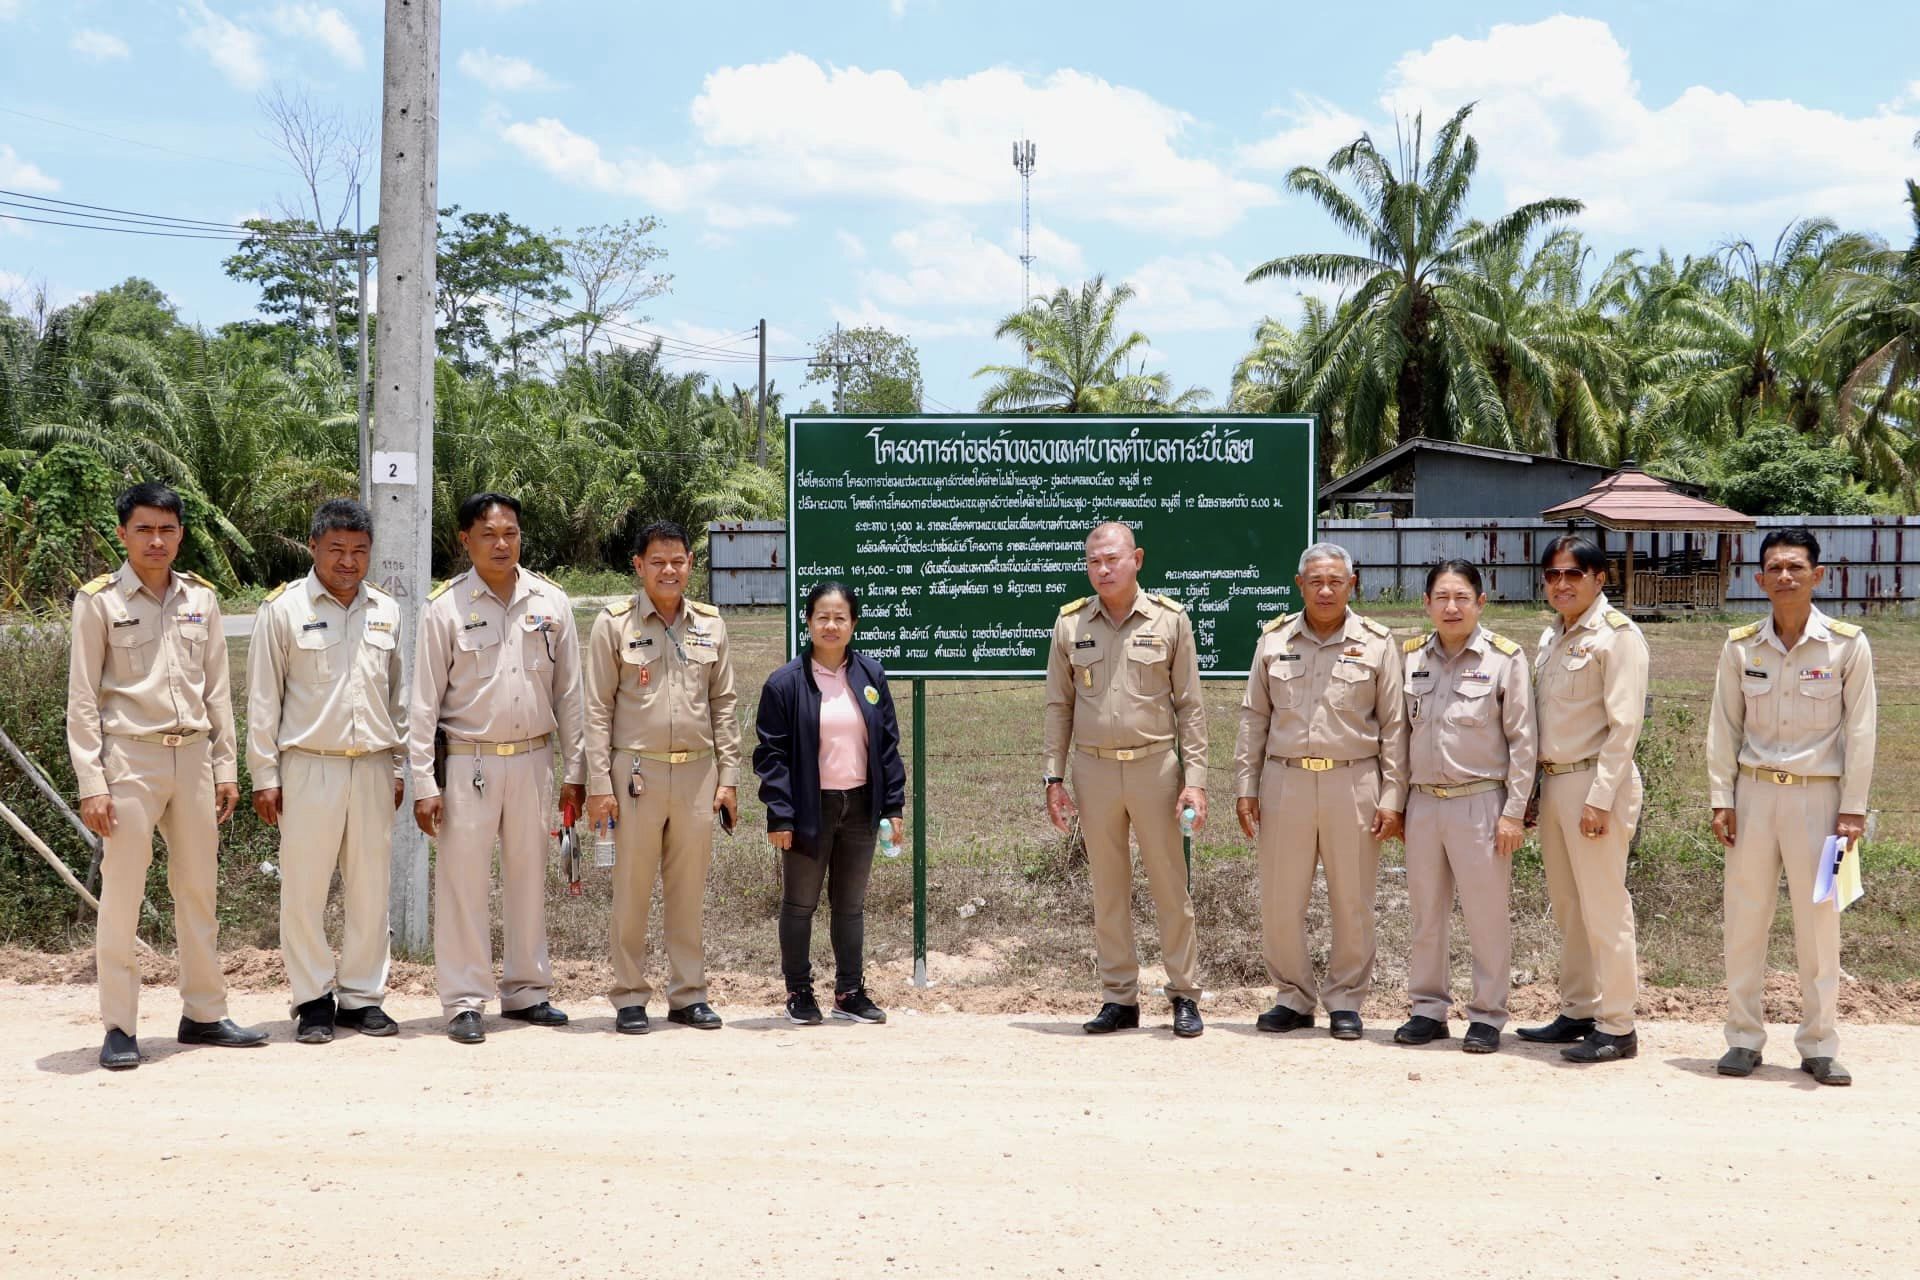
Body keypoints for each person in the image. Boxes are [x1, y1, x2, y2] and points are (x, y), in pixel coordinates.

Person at [67, 482, 267, 1070]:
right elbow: (82, 701)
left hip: (195, 759)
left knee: (198, 890)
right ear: (123, 533)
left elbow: (218, 693)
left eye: (168, 529)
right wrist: (91, 782)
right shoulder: (99, 602)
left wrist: (226, 767)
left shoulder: (201, 600)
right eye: (145, 529)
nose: (157, 541)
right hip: (129, 759)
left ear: (181, 534)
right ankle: (120, 1027)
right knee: (123, 892)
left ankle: (204, 1013)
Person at [408, 493, 587, 1045]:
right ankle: (464, 999)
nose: (502, 543)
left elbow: (571, 694)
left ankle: (528, 989)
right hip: (469, 763)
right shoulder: (445, 609)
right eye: (488, 534)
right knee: (463, 882)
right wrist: (423, 782)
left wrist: (576, 770)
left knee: (529, 875)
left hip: (534, 759)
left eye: (510, 532)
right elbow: (422, 704)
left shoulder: (550, 603)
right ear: (465, 540)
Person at [1708, 528, 1875, 1087]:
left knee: (1819, 921)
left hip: (1821, 803)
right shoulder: (1741, 646)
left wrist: (1853, 810)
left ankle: (1820, 1043)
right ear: (1759, 579)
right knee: (1745, 918)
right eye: (1774, 568)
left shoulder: (1847, 645)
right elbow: (1724, 728)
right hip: (1753, 798)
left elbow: (1863, 731)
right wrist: (1720, 798)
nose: (1785, 576)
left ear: (1817, 576)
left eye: (1796, 568)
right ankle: (1742, 1037)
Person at [246, 499, 406, 1045]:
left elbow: (398, 699)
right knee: (305, 889)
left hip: (374, 768)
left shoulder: (387, 610)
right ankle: (313, 999)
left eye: (359, 550)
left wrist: (401, 765)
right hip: (308, 767)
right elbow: (263, 701)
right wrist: (264, 776)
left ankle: (363, 997)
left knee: (370, 887)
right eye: (336, 549)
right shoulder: (283, 610)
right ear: (313, 547)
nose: (348, 561)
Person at [1233, 541, 1406, 1042]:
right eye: (1315, 581)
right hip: (1284, 780)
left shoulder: (1376, 642)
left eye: (1335, 581)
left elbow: (1395, 726)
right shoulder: (1273, 640)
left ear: (1353, 584)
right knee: (1281, 897)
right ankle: (1292, 996)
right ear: (1299, 585)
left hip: (1353, 782)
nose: (1325, 590)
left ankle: (1346, 999)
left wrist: (1393, 796)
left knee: (1352, 898)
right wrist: (1246, 786)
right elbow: (1254, 717)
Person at [1043, 522, 1208, 1038]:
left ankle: (1184, 993)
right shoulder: (1070, 624)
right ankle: (1119, 998)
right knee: (1108, 890)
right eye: (1094, 561)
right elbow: (1058, 707)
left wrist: (1195, 779)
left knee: (1169, 886)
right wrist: (1054, 776)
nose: (1103, 569)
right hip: (1092, 770)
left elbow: (1191, 707)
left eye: (1112, 559)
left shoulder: (1170, 620)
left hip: (1155, 767)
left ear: (1137, 558)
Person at [584, 520, 740, 1034]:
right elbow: (596, 709)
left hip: (698, 774)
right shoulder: (614, 624)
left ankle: (688, 994)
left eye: (678, 561)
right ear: (639, 566)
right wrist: (599, 785)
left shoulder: (711, 625)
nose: (669, 570)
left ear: (690, 564)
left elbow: (724, 704)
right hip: (635, 775)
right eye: (658, 562)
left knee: (688, 890)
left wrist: (729, 775)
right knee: (631, 889)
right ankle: (629, 995)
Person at [1392, 561, 1535, 1054]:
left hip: (1481, 803)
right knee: (1425, 914)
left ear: (1481, 602)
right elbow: (1398, 740)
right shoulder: (1411, 659)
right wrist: (1397, 804)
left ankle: (1488, 1014)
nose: (1451, 607)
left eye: (1461, 597)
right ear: (1426, 603)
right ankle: (1427, 1010)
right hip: (1424, 804)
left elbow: (1523, 741)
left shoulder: (1504, 659)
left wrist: (1514, 811)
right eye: (1441, 597)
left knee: (1485, 914)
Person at [1517, 535, 1649, 1065]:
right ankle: (1579, 1009)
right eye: (1553, 575)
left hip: (1598, 785)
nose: (1562, 583)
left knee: (1604, 907)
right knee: (1570, 907)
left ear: (1601, 578)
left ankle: (1618, 1025)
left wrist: (1599, 799)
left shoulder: (1617, 638)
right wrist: (1531, 790)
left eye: (1574, 574)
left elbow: (1624, 728)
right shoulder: (1553, 637)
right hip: (1556, 784)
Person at [753, 582, 905, 1025]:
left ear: (854, 624)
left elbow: (888, 745)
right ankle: (799, 992)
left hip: (860, 807)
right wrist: (780, 813)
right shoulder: (784, 684)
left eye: (841, 617)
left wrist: (892, 805)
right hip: (807, 809)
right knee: (800, 904)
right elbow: (771, 757)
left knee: (851, 905)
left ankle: (849, 992)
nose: (832, 625)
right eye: (823, 617)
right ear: (808, 622)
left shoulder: (871, 676)